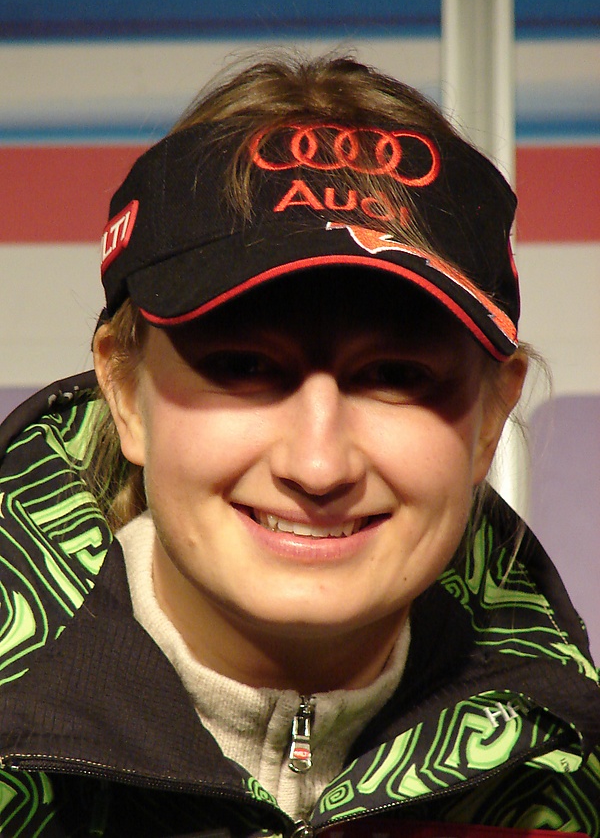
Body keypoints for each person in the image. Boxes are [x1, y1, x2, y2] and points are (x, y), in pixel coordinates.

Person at [0, 55, 598, 838]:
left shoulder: (570, 787)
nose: (318, 466)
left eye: (395, 375)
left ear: (490, 418)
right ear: (125, 390)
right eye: (244, 366)